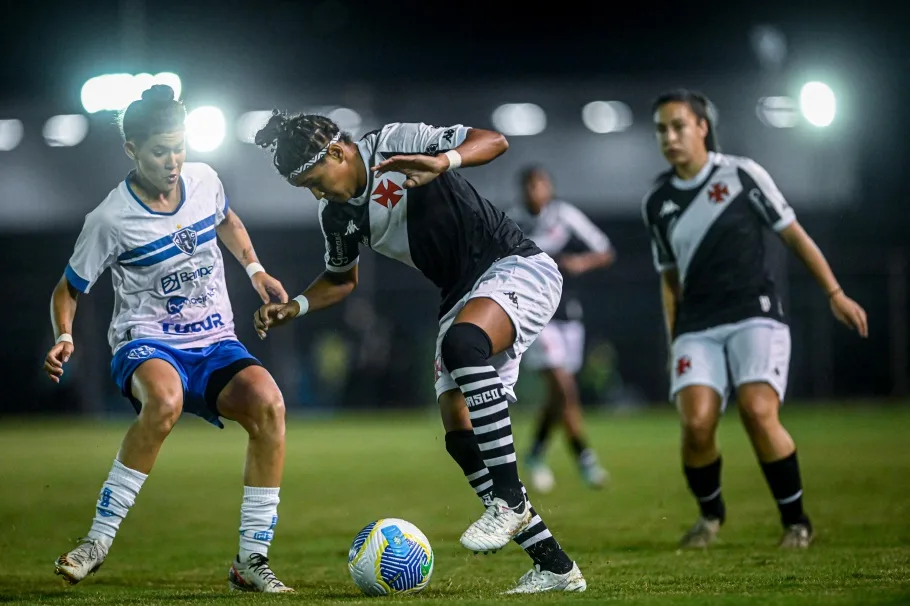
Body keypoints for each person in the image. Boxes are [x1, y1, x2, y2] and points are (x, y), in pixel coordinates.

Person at [252, 112, 586, 594]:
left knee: (462, 346)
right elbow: (343, 279)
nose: (317, 194)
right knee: (458, 432)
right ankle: (555, 567)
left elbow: (494, 141)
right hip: (461, 297)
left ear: (338, 153)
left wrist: (443, 161)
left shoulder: (395, 142)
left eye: (315, 181)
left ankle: (510, 501)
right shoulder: (339, 216)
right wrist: (296, 306)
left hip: (513, 263)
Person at [45, 85, 294, 592]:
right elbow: (67, 290)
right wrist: (64, 335)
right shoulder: (110, 220)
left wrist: (255, 270)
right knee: (164, 400)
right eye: (160, 151)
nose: (174, 160)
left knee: (269, 403)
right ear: (132, 149)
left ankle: (251, 561)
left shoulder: (204, 180)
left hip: (214, 341)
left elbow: (226, 219)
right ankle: (95, 542)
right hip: (147, 342)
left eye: (179, 147)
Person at [641, 89, 868, 549]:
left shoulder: (742, 175)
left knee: (757, 411)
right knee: (698, 423)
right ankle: (710, 517)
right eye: (661, 129)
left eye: (678, 126)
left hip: (754, 315)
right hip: (697, 326)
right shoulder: (658, 202)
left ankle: (796, 522)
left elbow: (795, 237)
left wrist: (835, 293)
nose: (669, 137)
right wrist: (673, 343)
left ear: (702, 126)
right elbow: (669, 282)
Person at [507, 166, 614, 493]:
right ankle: (585, 458)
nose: (536, 191)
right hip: (537, 316)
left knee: (559, 396)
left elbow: (605, 250)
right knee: (564, 388)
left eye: (541, 184)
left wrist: (582, 262)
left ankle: (536, 453)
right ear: (523, 190)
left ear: (550, 188)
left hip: (569, 313)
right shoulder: (514, 221)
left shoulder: (565, 215)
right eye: (530, 185)